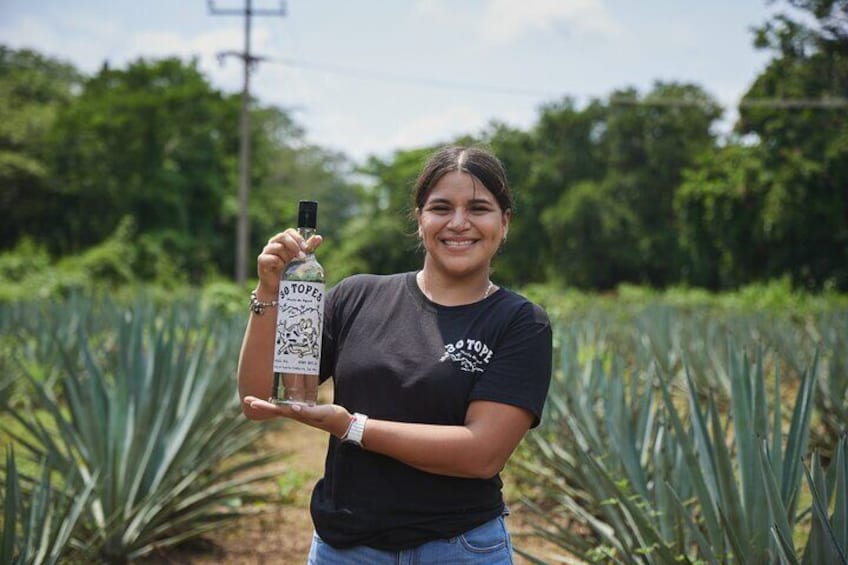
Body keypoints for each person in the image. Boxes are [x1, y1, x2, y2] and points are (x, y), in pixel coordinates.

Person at [237, 145, 553, 564]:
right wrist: (269, 292)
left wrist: (352, 427)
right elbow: (259, 399)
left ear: (504, 222)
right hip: (346, 549)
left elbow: (482, 453)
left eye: (478, 208)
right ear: (419, 219)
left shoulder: (520, 322)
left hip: (460, 548)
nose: (459, 223)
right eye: (441, 207)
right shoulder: (357, 297)